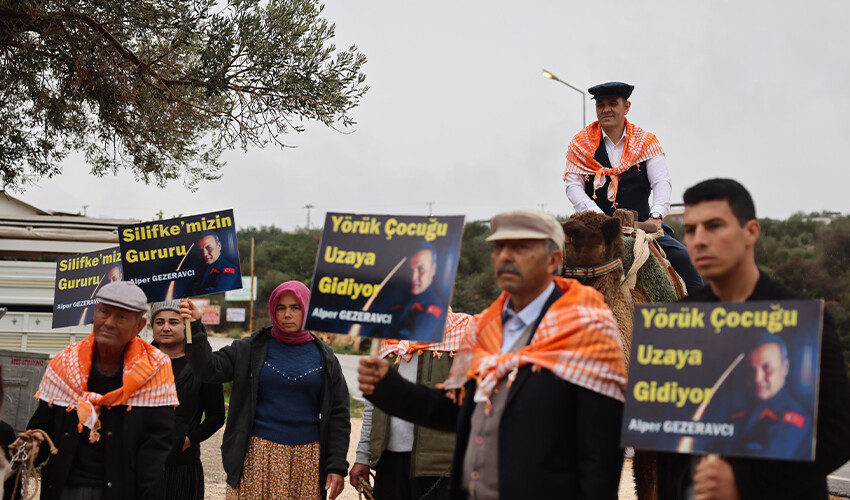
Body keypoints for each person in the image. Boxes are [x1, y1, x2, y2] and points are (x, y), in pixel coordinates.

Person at [358, 208, 627, 499]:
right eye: (499, 247)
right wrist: (388, 387)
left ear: (554, 260)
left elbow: (602, 449)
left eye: (520, 247)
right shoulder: (484, 328)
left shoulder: (587, 328)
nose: (506, 256)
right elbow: (457, 409)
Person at [656, 178, 850, 500]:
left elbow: (839, 435)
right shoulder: (677, 320)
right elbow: (667, 441)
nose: (700, 240)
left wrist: (745, 485)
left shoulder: (799, 319)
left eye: (714, 226)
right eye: (690, 230)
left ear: (751, 232)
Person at [181, 280, 350, 500]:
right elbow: (208, 369)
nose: (287, 314)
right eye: (281, 308)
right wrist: (194, 326)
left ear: (307, 309)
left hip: (307, 463)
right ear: (273, 310)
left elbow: (339, 414)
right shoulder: (251, 348)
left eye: (295, 307)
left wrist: (336, 465)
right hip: (256, 458)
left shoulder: (325, 358)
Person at [25, 281, 179, 500]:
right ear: (94, 314)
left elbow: (155, 450)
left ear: (139, 325)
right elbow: (42, 427)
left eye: (121, 317)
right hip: (64, 490)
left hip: (122, 492)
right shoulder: (65, 364)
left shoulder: (154, 369)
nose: (109, 323)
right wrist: (31, 447)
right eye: (104, 312)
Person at [563, 81, 703, 294]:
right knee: (555, 266)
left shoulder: (647, 142)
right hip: (594, 229)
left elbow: (661, 183)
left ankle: (697, 323)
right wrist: (601, 220)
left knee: (687, 264)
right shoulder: (579, 145)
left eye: (613, 103)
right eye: (601, 105)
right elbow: (573, 187)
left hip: (643, 227)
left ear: (626, 107)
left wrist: (656, 216)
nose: (606, 109)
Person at [349, 309, 470, 500]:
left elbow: (470, 405)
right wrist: (363, 457)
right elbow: (373, 403)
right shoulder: (388, 337)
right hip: (389, 460)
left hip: (438, 465)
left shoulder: (464, 333)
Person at [150, 301, 225, 500]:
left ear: (186, 326)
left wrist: (187, 441)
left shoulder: (202, 364)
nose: (165, 328)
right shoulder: (139, 361)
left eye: (173, 322)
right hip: (141, 465)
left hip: (182, 466)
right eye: (159, 322)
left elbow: (216, 416)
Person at [723, 333, 811, 459]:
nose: (758, 378)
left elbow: (769, 465)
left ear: (785, 367)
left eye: (767, 367)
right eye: (752, 370)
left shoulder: (794, 417)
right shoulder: (739, 414)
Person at [377, 241, 444, 341]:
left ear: (433, 269)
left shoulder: (433, 308)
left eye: (421, 269)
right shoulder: (399, 300)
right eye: (410, 270)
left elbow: (414, 343)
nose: (413, 277)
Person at [186, 231, 240, 296]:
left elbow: (219, 294)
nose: (204, 254)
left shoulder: (228, 270)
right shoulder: (199, 270)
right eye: (201, 250)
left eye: (209, 248)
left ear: (219, 246)